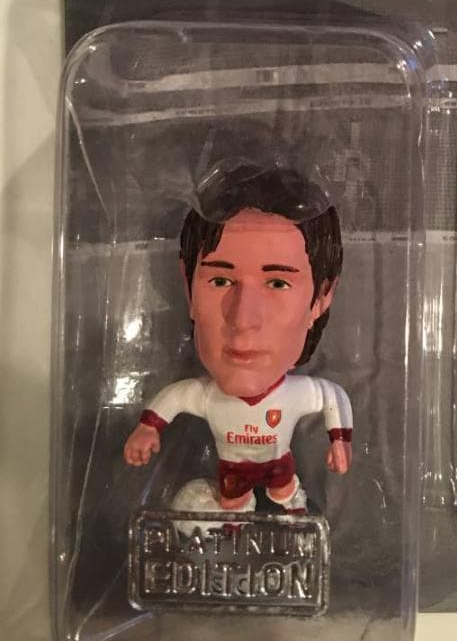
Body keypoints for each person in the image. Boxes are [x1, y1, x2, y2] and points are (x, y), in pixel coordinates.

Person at [123, 163, 352, 515]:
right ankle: (233, 527)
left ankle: (294, 519)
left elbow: (330, 398)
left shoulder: (296, 394)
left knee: (287, 495)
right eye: (220, 281)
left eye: (277, 283)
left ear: (321, 298)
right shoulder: (206, 396)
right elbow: (171, 402)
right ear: (188, 287)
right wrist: (147, 429)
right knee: (233, 506)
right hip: (232, 474)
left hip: (279, 470)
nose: (243, 319)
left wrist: (340, 440)